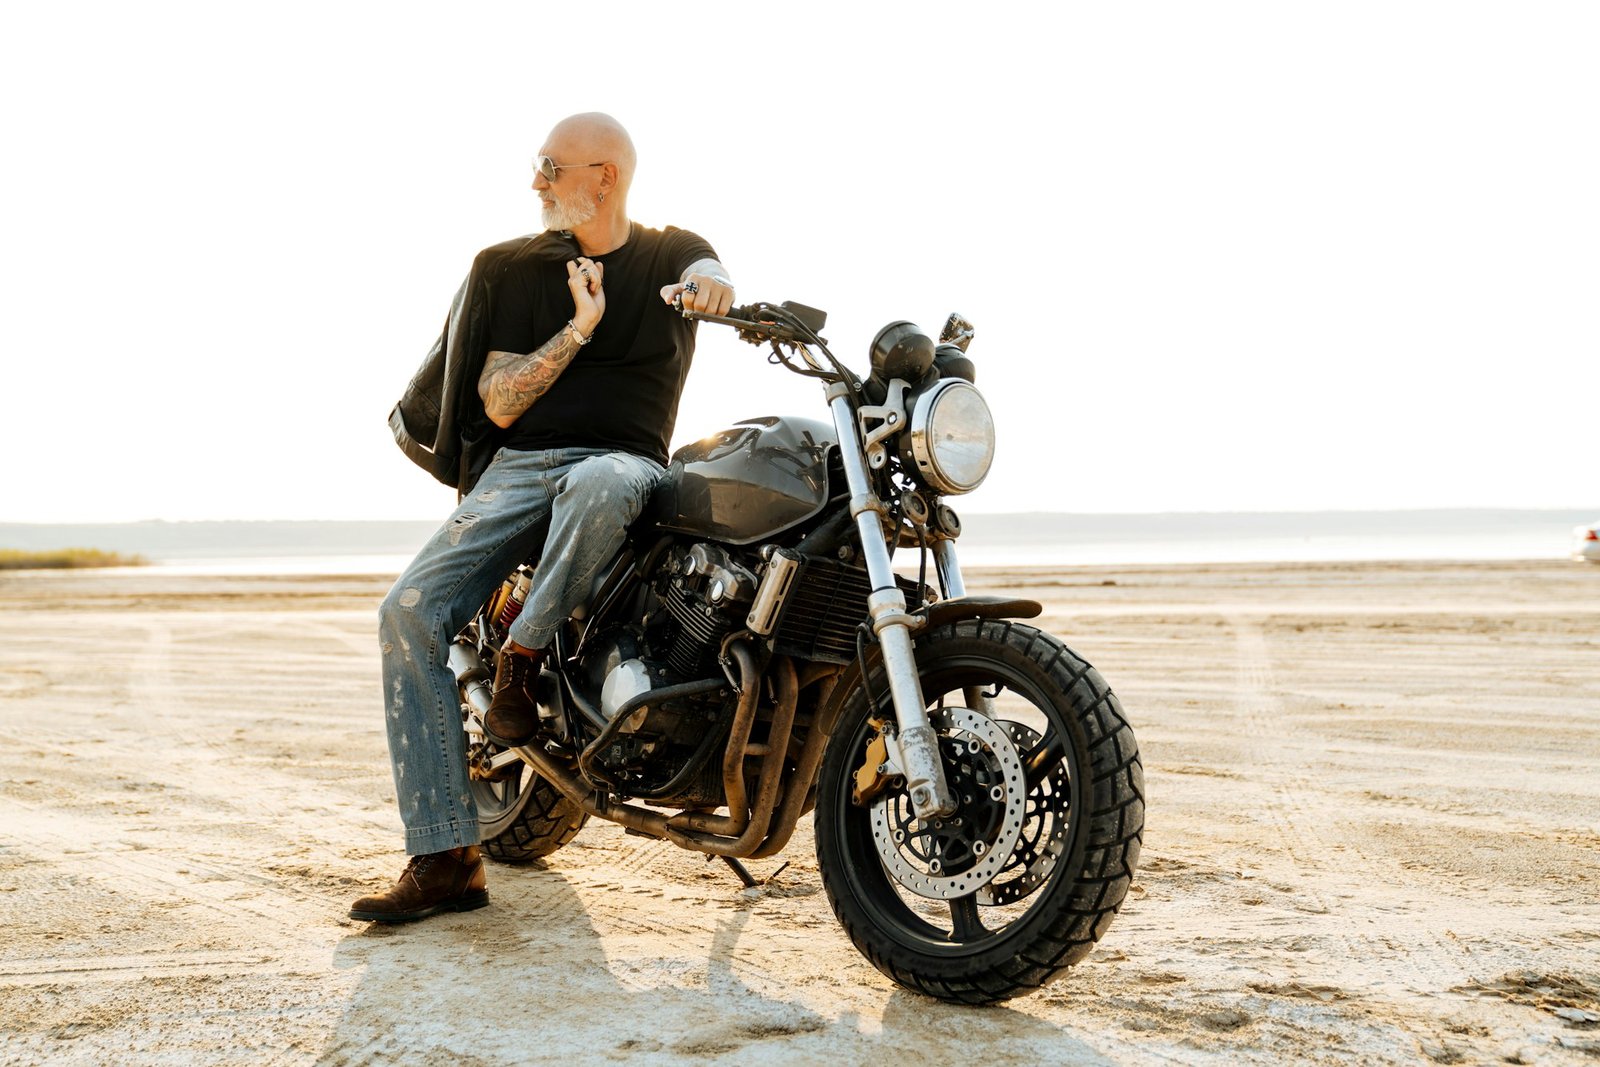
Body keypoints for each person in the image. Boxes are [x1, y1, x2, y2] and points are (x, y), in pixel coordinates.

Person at [350, 113, 733, 923]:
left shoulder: (669, 250)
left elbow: (710, 270)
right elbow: (497, 399)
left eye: (550, 167)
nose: (536, 182)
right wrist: (578, 329)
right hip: (521, 469)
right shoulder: (525, 269)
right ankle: (446, 855)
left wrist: (712, 287)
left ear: (606, 177)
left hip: (623, 466)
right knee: (407, 613)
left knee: (599, 480)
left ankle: (523, 652)